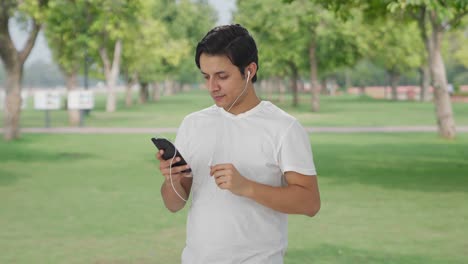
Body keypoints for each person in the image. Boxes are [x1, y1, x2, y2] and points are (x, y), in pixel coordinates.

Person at [156, 24, 320, 264]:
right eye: (206, 77)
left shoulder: (283, 128)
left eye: (222, 76)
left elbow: (310, 202)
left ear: (249, 70)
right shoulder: (193, 124)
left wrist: (247, 187)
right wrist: (172, 179)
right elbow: (174, 204)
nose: (212, 86)